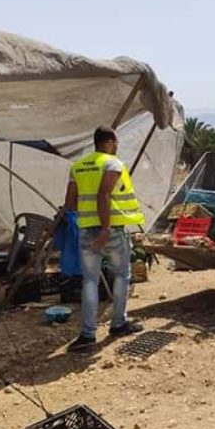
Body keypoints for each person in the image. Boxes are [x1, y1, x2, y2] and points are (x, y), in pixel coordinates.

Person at [64, 126, 145, 351]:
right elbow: (104, 194)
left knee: (90, 280)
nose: (117, 147)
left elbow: (70, 203)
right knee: (121, 275)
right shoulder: (112, 164)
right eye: (116, 143)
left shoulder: (77, 167)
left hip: (86, 230)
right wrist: (106, 228)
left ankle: (88, 336)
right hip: (110, 231)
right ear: (111, 141)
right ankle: (118, 324)